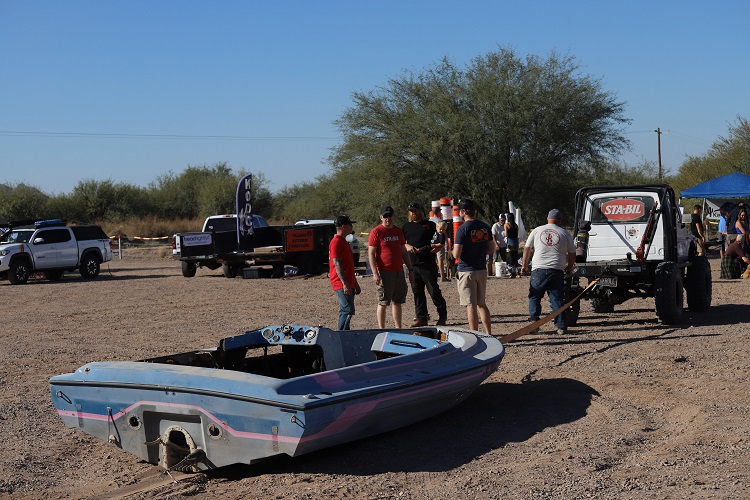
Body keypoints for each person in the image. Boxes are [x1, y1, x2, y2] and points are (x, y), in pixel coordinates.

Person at [521, 209, 576, 334]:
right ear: (560, 220)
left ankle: (534, 324)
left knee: (535, 296)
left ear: (548, 219)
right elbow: (573, 254)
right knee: (557, 298)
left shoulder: (536, 230)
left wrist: (524, 265)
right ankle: (560, 326)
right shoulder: (565, 233)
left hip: (538, 269)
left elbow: (527, 249)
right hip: (557, 270)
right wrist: (569, 267)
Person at [452, 199, 495, 334]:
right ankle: (488, 334)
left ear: (464, 212)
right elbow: (491, 249)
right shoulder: (485, 227)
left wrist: (453, 251)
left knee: (471, 306)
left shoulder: (462, 229)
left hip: (467, 271)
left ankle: (474, 335)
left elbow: (456, 254)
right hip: (481, 269)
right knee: (482, 304)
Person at [403, 202, 448, 327]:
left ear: (421, 211)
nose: (414, 213)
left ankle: (442, 316)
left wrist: (436, 249)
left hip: (427, 264)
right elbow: (403, 243)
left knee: (433, 291)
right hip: (413, 265)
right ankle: (421, 317)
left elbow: (440, 240)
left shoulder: (430, 225)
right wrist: (408, 247)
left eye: (416, 210)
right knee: (417, 292)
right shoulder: (406, 227)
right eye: (411, 211)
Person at [368, 205, 413, 328]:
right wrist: (375, 273)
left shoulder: (398, 231)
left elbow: (403, 251)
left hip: (399, 270)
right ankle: (381, 328)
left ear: (394, 216)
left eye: (390, 215)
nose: (388, 218)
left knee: (398, 301)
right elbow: (371, 253)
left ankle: (398, 327)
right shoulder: (376, 232)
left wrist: (410, 269)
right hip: (384, 271)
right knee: (383, 301)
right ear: (381, 217)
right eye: (385, 216)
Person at [328, 215, 360, 330]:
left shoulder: (344, 242)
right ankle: (341, 334)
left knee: (349, 310)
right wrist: (345, 284)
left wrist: (355, 283)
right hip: (341, 282)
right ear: (344, 226)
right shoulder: (336, 242)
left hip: (348, 281)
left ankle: (345, 332)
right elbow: (337, 264)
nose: (351, 227)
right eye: (350, 225)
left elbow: (348, 265)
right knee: (346, 309)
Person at [504, 212, 520, 277]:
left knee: (510, 257)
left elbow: (506, 234)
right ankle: (517, 272)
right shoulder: (516, 225)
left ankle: (511, 272)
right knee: (515, 257)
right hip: (516, 241)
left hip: (510, 241)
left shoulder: (507, 225)